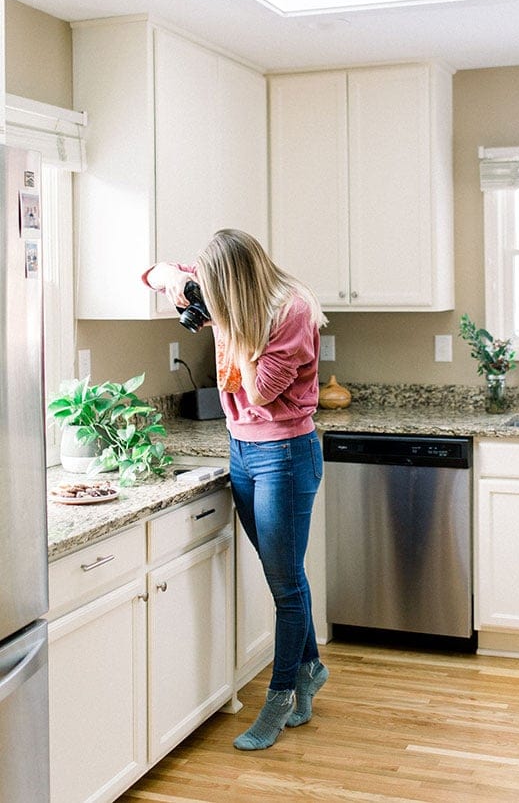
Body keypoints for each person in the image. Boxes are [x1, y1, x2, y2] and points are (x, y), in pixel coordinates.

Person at [143, 229, 329, 750]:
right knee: (284, 575)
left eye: (218, 290)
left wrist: (229, 323)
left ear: (239, 284)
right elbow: (150, 273)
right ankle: (310, 669)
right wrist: (178, 282)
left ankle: (279, 697)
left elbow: (260, 390)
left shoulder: (290, 310)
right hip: (241, 450)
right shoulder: (223, 292)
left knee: (285, 586)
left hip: (283, 455)